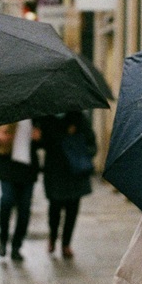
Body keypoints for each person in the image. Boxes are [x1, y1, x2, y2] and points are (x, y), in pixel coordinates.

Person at [37, 111, 96, 259]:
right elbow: (42, 142)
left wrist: (83, 152)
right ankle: (52, 236)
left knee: (72, 209)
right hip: (55, 170)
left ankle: (66, 244)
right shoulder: (46, 117)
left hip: (74, 171)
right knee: (55, 207)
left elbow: (91, 142)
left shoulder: (79, 117)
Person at [0, 119, 40, 261]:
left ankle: (16, 246)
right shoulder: (7, 113)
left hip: (28, 169)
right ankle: (2, 240)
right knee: (6, 201)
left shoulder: (36, 117)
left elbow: (49, 139)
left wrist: (39, 137)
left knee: (24, 208)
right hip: (8, 167)